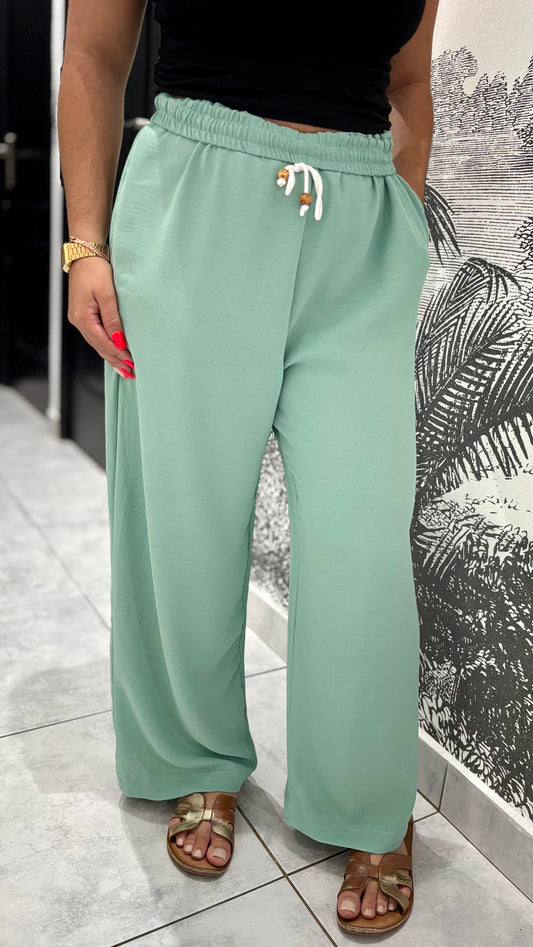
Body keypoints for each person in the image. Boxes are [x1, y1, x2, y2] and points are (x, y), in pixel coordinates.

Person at [58, 0, 439, 934]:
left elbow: (408, 81)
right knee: (184, 515)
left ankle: (364, 793)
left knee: (360, 536)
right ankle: (194, 758)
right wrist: (85, 244)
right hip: (193, 200)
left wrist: (401, 215)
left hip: (359, 225)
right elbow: (94, 56)